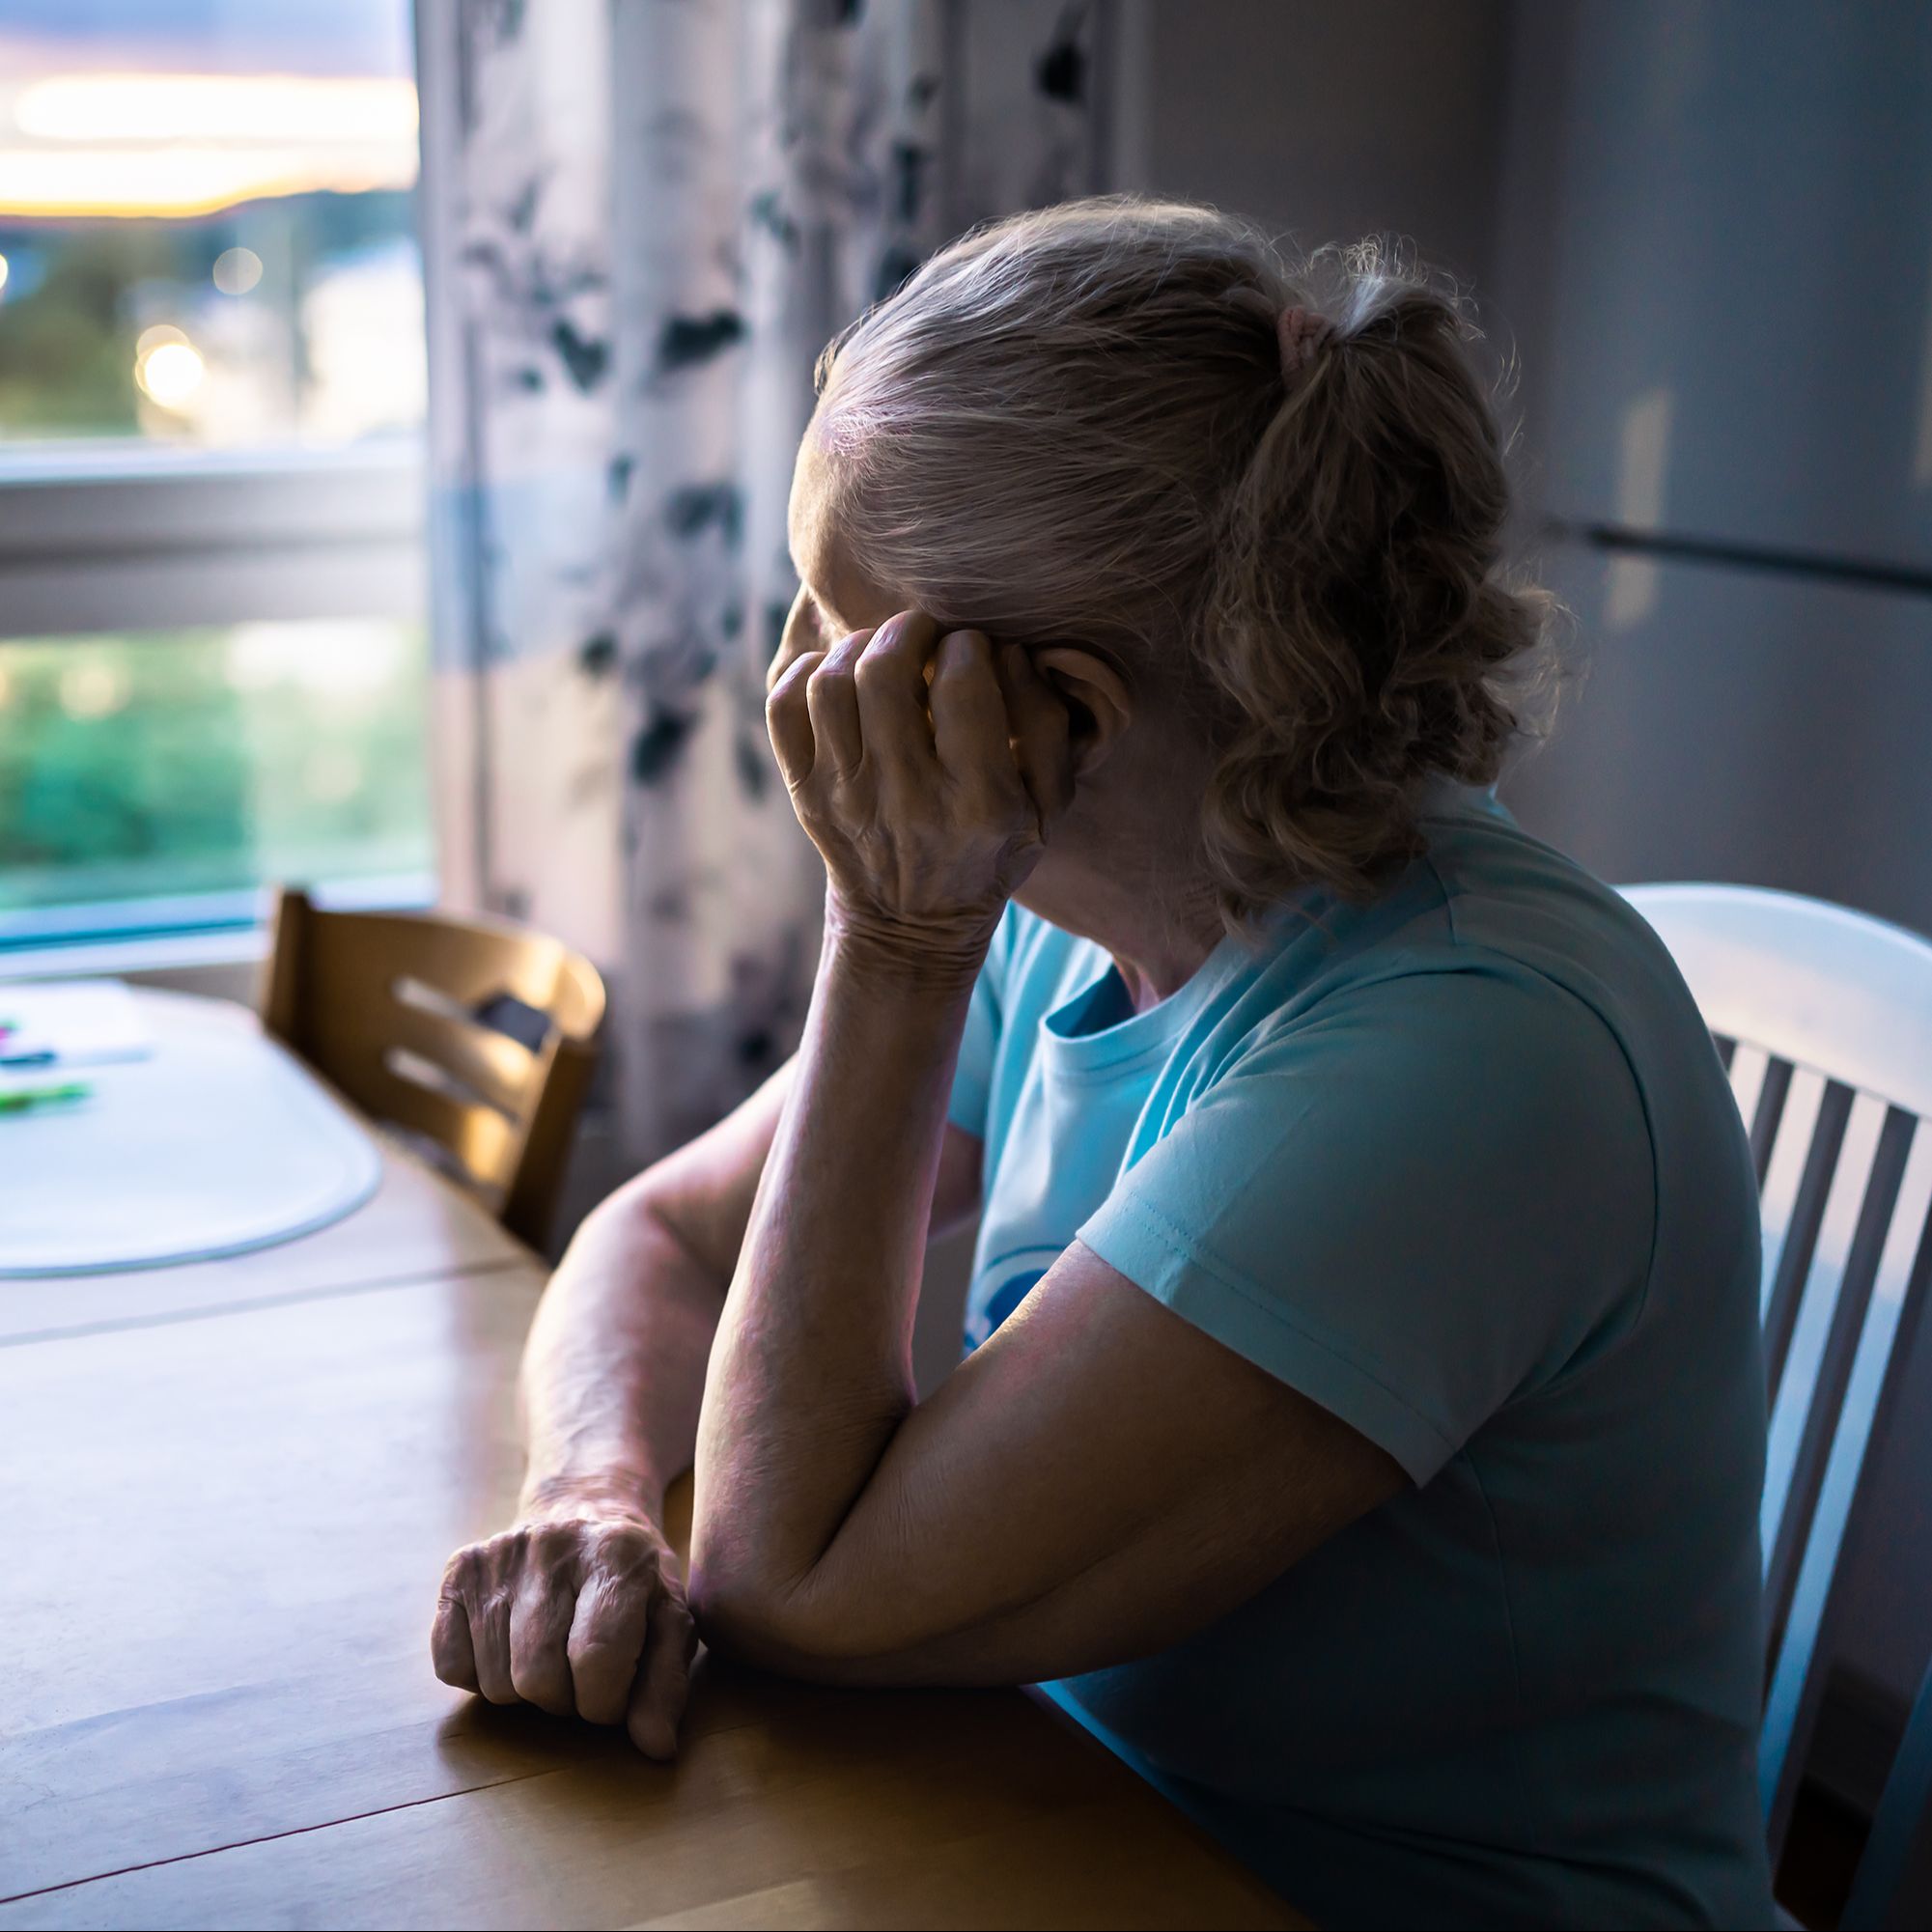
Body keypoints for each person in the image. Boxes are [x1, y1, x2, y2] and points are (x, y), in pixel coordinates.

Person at [431, 198, 1775, 1929]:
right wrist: (592, 1492)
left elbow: (794, 1578)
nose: (783, 688)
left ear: (1061, 705)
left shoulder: (1459, 1055)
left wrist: (893, 942)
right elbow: (664, 1237)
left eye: (832, 627)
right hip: (1057, 1828)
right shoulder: (1091, 913)